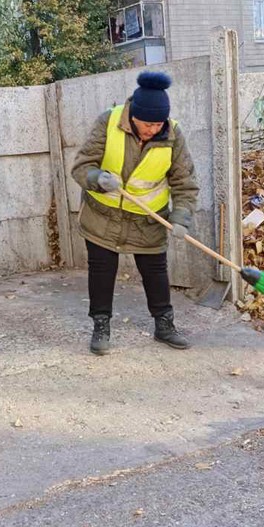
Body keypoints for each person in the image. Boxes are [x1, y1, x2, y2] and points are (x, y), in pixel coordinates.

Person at [70, 71, 199, 356]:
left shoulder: (173, 135)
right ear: (132, 116)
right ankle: (100, 326)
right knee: (101, 271)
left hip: (147, 219)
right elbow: (81, 165)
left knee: (156, 271)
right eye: (147, 124)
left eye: (158, 124)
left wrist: (181, 217)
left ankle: (164, 325)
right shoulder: (109, 122)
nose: (153, 129)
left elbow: (184, 182)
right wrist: (97, 178)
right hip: (103, 215)